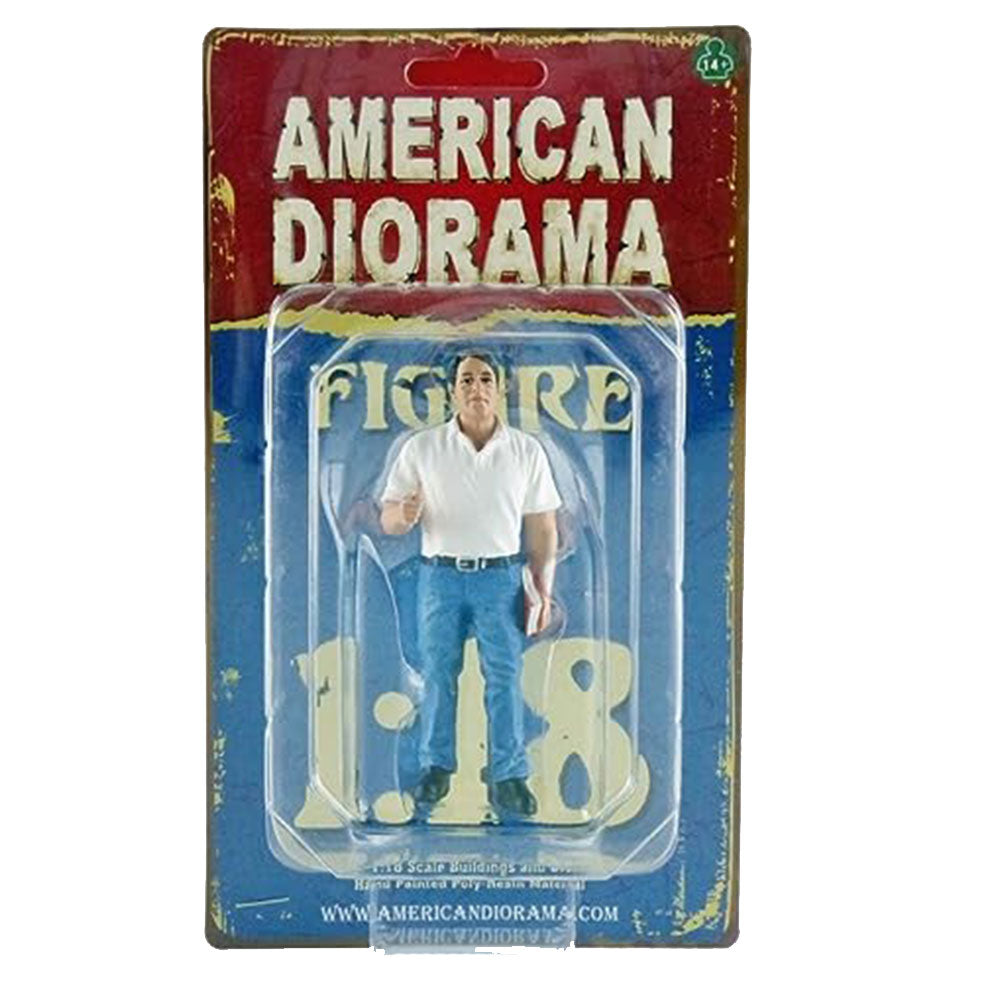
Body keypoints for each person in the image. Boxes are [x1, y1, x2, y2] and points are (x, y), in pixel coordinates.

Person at [380, 352, 561, 817]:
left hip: (501, 577)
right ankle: (435, 766)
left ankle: (509, 773)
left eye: (484, 379)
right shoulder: (422, 449)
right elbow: (388, 519)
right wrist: (404, 514)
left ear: (500, 388)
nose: (476, 388)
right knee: (438, 672)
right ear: (451, 390)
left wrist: (542, 589)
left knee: (504, 675)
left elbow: (543, 526)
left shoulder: (525, 451)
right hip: (439, 576)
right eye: (466, 380)